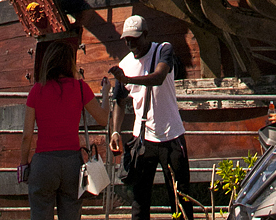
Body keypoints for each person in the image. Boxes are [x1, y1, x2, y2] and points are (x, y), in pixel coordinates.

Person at [109, 14, 191, 220]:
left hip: (171, 136)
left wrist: (128, 79)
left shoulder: (163, 50)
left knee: (180, 198)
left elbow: (159, 77)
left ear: (146, 35)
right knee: (139, 200)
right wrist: (116, 131)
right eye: (126, 39)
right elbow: (119, 100)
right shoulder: (125, 64)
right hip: (143, 140)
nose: (130, 44)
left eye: (135, 39)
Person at [20, 41, 109, 220]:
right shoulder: (80, 88)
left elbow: (27, 136)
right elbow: (103, 119)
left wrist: (24, 164)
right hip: (72, 164)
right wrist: (105, 93)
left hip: (43, 164)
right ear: (70, 63)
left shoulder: (36, 90)